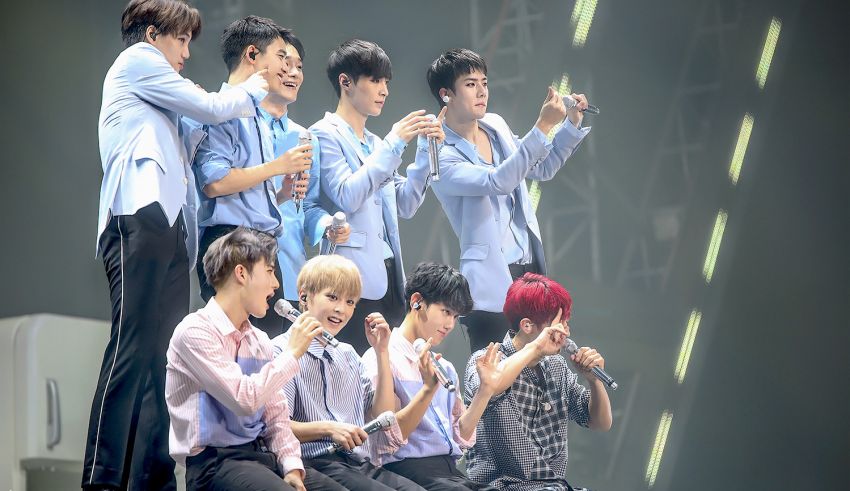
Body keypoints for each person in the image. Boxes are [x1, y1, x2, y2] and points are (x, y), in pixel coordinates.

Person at [85, 1, 272, 488]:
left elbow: (198, 128)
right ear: (153, 33)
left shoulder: (161, 99)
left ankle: (153, 477)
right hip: (137, 214)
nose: (187, 51)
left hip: (169, 227)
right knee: (132, 346)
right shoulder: (138, 61)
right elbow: (211, 105)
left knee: (162, 358)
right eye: (182, 39)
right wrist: (255, 82)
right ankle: (103, 474)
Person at [426, 48, 591, 352]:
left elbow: (541, 167)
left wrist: (569, 125)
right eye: (470, 84)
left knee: (538, 369)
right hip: (490, 283)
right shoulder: (437, 152)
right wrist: (542, 126)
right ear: (446, 94)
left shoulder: (496, 125)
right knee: (494, 379)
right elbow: (498, 181)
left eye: (484, 83)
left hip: (529, 269)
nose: (481, 92)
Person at [165, 227, 346, 490]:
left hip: (261, 456)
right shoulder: (195, 331)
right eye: (270, 271)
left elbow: (276, 416)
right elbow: (244, 399)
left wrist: (292, 466)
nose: (276, 284)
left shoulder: (258, 339)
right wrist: (293, 352)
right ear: (241, 273)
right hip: (214, 464)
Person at [307, 39, 445, 354]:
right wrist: (395, 143)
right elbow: (347, 195)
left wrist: (424, 150)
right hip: (348, 282)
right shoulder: (324, 134)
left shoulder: (375, 143)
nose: (384, 89)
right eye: (375, 80)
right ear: (346, 82)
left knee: (386, 380)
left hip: (388, 278)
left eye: (386, 82)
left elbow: (406, 204)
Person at [190, 15, 313, 337]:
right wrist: (278, 167)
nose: (287, 68)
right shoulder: (222, 109)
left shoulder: (256, 114)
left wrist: (282, 191)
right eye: (281, 58)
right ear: (252, 56)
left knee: (266, 342)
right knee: (235, 343)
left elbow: (249, 190)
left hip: (261, 240)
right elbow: (215, 183)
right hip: (231, 240)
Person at [271, 255, 437, 490]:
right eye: (332, 297)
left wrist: (381, 352)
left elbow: (383, 415)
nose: (341, 309)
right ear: (304, 297)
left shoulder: (349, 355)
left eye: (350, 302)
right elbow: (277, 426)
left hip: (358, 463)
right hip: (312, 462)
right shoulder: (281, 350)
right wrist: (329, 429)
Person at [463, 273, 613, 490]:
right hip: (500, 486)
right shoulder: (487, 361)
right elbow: (492, 385)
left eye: (566, 324)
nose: (565, 333)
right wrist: (535, 347)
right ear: (527, 325)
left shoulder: (557, 367)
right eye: (558, 324)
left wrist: (593, 381)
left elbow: (600, 423)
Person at [362, 262, 500, 490]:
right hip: (404, 471)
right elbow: (386, 436)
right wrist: (427, 389)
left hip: (449, 472)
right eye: (446, 312)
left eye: (455, 317)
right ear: (417, 301)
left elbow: (460, 436)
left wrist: (485, 390)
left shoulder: (444, 367)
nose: (450, 324)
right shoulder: (382, 355)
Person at [256, 25, 351, 321]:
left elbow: (306, 206)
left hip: (292, 271)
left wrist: (326, 225)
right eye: (286, 63)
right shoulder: (240, 124)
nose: (294, 72)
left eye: (299, 66)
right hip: (248, 270)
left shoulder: (306, 138)